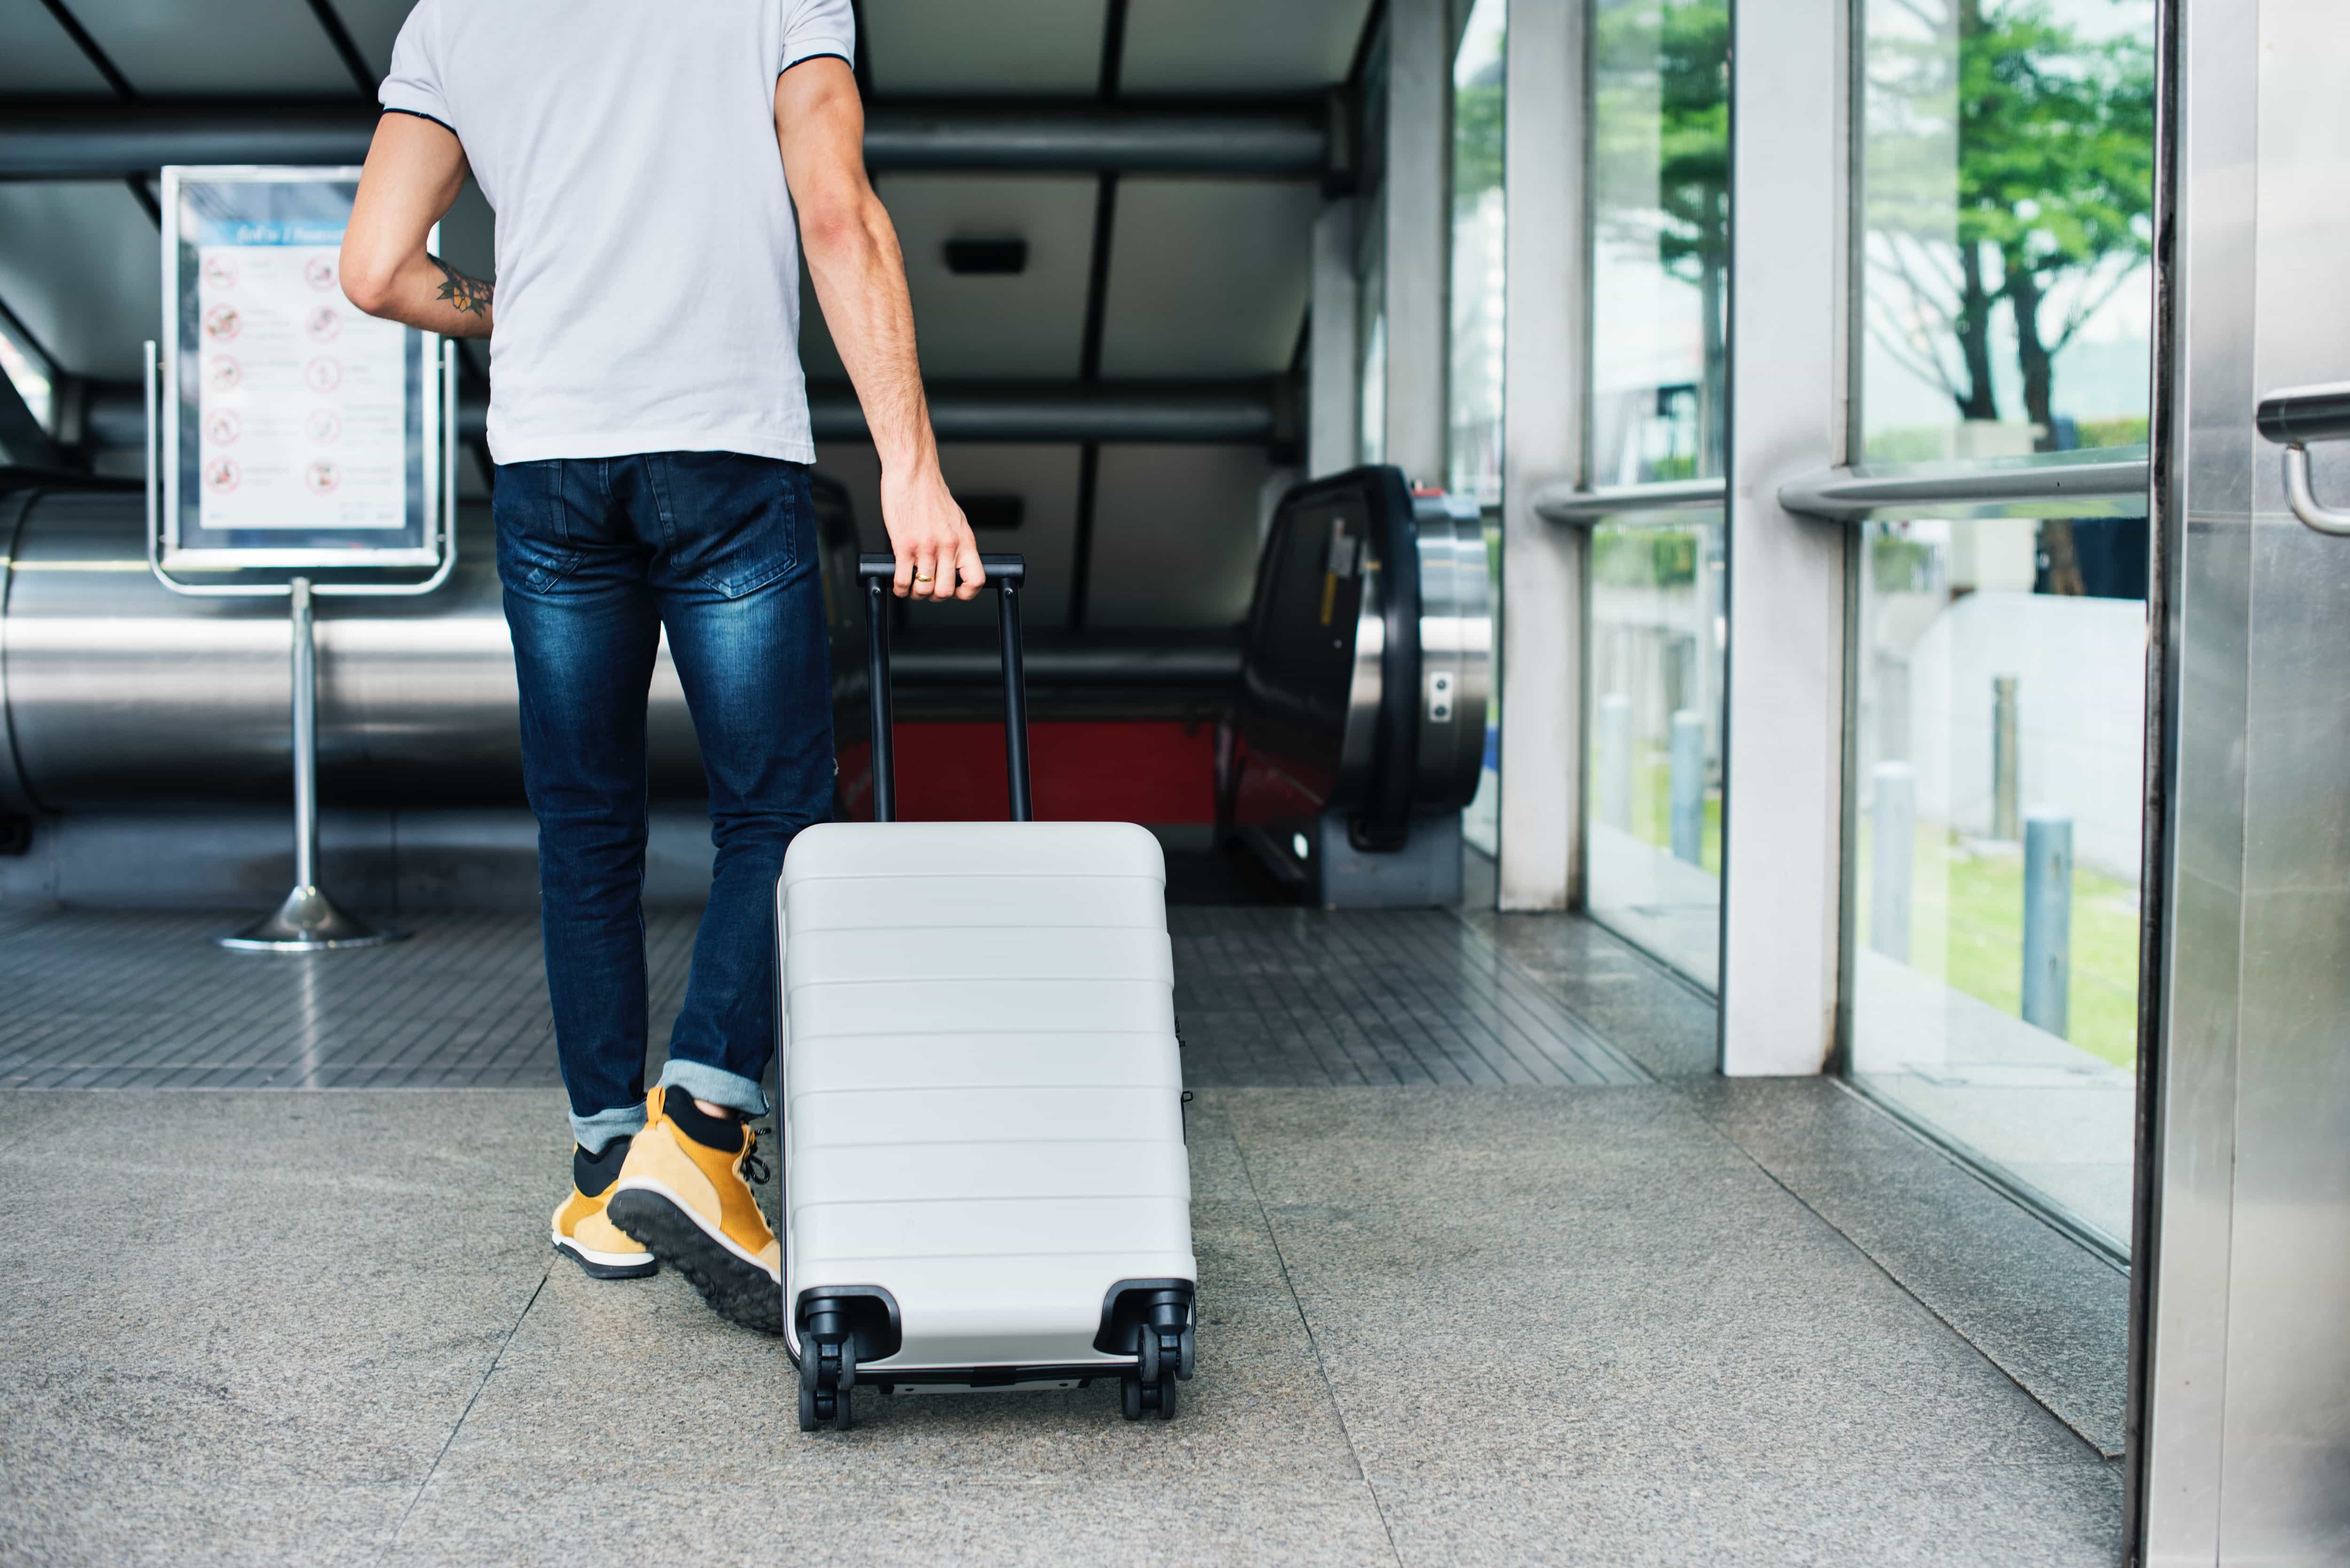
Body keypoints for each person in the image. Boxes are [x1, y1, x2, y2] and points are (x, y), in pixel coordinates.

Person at [340, 0, 980, 1334]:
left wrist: (523, 311)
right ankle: (696, 1128)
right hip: (722, 445)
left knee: (585, 818)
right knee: (777, 805)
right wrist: (911, 468)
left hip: (552, 461)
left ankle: (600, 1173)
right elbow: (836, 213)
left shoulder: (454, 12)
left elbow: (377, 268)